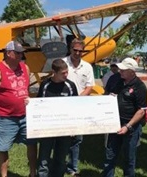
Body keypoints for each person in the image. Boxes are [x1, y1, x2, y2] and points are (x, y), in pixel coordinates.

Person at [0, 40, 37, 177]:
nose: (21, 56)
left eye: (22, 53)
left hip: (25, 115)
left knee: (32, 144)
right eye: (18, 53)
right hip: (4, 117)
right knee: (3, 148)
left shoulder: (26, 68)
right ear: (8, 53)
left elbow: (26, 89)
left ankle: (32, 173)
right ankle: (4, 175)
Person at [102, 58, 147, 177]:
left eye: (123, 69)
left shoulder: (140, 87)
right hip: (115, 123)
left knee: (128, 158)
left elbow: (141, 111)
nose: (120, 71)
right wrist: (111, 97)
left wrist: (128, 126)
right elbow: (110, 94)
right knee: (110, 155)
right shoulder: (118, 81)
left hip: (131, 126)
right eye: (120, 69)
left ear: (132, 71)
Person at [37, 59, 78, 177]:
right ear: (54, 72)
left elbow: (75, 107)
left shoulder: (70, 85)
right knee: (44, 159)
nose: (66, 75)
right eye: (63, 73)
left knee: (60, 159)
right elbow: (39, 105)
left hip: (65, 129)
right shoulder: (45, 85)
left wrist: (73, 128)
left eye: (67, 72)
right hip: (47, 128)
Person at [62, 38, 95, 177]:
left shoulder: (87, 67)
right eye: (75, 50)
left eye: (80, 51)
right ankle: (59, 164)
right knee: (62, 137)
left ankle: (72, 167)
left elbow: (90, 86)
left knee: (77, 139)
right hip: (63, 105)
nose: (77, 53)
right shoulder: (62, 63)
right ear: (70, 49)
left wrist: (78, 100)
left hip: (80, 107)